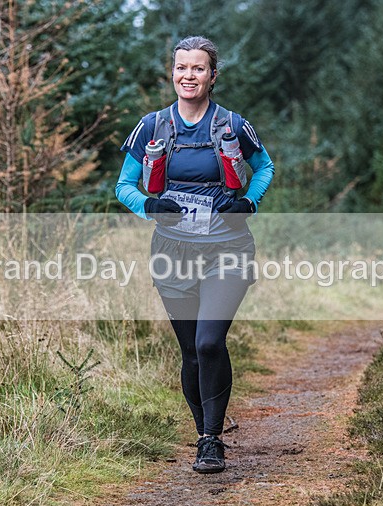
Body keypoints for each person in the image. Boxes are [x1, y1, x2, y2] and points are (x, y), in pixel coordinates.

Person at [115, 35, 275, 474]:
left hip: (228, 246)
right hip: (172, 250)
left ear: (212, 76)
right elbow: (123, 185)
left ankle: (213, 440)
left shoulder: (232, 124)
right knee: (189, 350)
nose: (189, 75)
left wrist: (250, 202)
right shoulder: (152, 126)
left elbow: (264, 167)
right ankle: (203, 434)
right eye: (182, 68)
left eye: (198, 68)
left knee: (209, 342)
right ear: (172, 74)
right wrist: (149, 206)